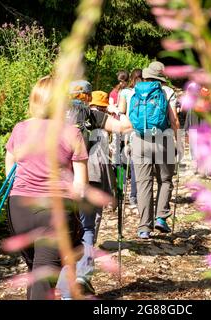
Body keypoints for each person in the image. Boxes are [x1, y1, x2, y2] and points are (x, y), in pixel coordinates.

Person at [5, 76, 88, 300]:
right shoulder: (72, 133)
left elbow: (10, 172)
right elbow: (80, 187)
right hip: (54, 212)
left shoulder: (20, 129)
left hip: (18, 210)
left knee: (36, 272)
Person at [57, 81, 132, 298]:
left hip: (61, 181)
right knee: (87, 229)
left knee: (64, 232)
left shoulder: (57, 117)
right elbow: (127, 126)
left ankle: (63, 286)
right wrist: (114, 111)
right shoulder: (93, 116)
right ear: (88, 97)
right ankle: (82, 276)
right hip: (89, 178)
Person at [129, 61, 180, 239]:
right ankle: (161, 217)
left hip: (139, 140)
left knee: (143, 184)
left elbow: (130, 119)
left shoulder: (135, 90)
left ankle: (144, 228)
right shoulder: (167, 92)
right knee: (165, 180)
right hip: (162, 139)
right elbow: (174, 121)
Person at [117, 69, 143, 209]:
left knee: (127, 165)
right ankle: (138, 195)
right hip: (146, 132)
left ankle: (129, 195)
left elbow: (121, 111)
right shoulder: (146, 92)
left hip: (129, 131)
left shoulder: (126, 92)